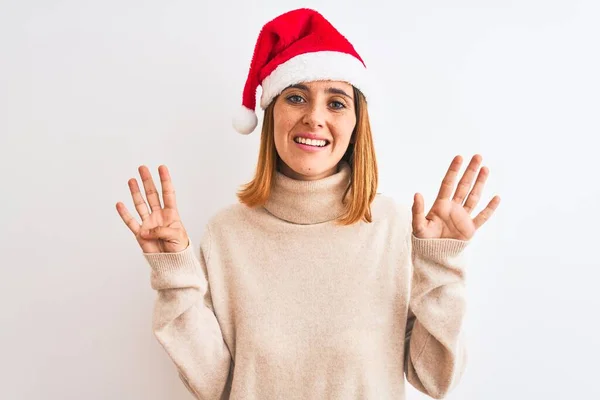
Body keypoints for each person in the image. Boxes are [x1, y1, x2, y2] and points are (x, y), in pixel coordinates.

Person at [115, 8, 500, 400]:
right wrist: (174, 274)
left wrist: (441, 265)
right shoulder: (227, 233)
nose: (314, 118)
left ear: (355, 125)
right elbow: (215, 384)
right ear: (272, 114)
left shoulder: (392, 227)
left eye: (336, 103)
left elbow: (435, 379)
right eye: (296, 97)